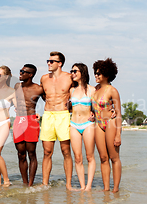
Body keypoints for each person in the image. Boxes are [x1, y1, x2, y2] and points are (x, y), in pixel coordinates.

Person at [40, 51, 74, 190]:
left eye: (52, 61)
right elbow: (41, 94)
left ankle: (68, 184)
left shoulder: (69, 77)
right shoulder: (43, 78)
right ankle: (44, 184)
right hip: (48, 115)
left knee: (66, 151)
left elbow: (83, 91)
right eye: (48, 61)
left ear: (60, 63)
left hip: (63, 115)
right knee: (47, 152)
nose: (49, 63)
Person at [92, 58, 122, 193]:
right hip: (98, 124)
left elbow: (119, 113)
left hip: (111, 123)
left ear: (107, 74)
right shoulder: (95, 90)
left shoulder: (112, 90)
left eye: (99, 73)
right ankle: (106, 189)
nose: (96, 76)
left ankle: (115, 189)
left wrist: (118, 135)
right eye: (95, 73)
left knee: (114, 157)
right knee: (103, 158)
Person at [13, 64, 44, 186]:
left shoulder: (38, 89)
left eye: (23, 71)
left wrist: (40, 115)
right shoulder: (17, 86)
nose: (20, 73)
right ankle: (24, 183)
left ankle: (30, 184)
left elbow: (50, 101)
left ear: (30, 74)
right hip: (19, 120)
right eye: (20, 71)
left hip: (31, 120)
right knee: (20, 153)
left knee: (31, 153)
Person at [69, 63, 96, 191]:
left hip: (88, 124)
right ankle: (82, 186)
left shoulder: (92, 90)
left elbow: (100, 106)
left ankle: (89, 186)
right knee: (77, 157)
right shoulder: (71, 90)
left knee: (89, 156)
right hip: (73, 124)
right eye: (72, 71)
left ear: (82, 73)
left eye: (75, 71)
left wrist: (96, 115)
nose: (72, 73)